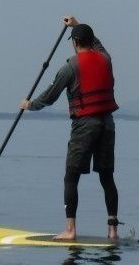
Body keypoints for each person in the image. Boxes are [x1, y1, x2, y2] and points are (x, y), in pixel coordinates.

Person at [20, 16, 120, 241]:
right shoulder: (106, 58)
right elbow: (97, 43)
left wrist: (30, 105)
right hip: (108, 124)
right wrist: (77, 24)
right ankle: (113, 230)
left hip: (85, 125)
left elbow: (50, 96)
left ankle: (70, 230)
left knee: (71, 176)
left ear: (75, 43)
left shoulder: (70, 67)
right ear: (91, 40)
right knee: (107, 177)